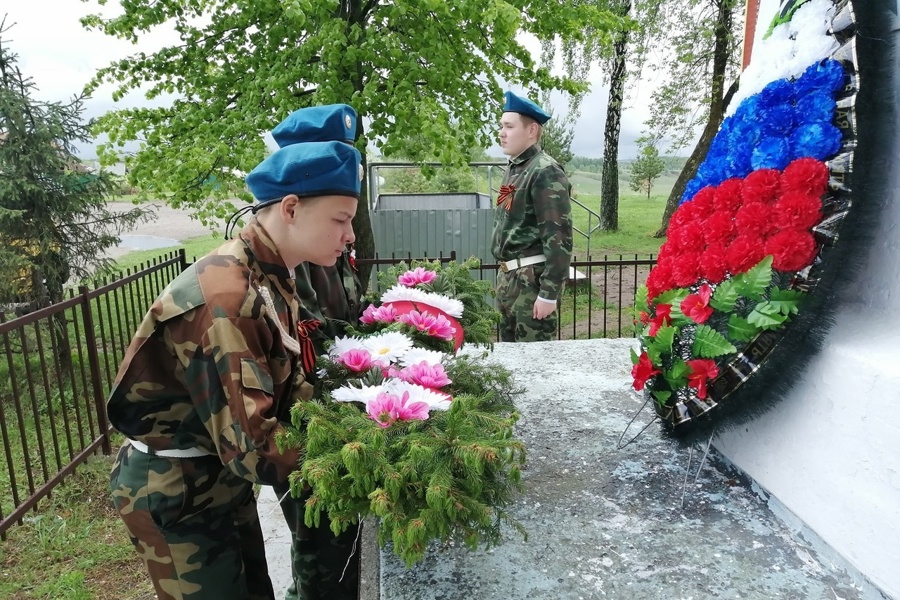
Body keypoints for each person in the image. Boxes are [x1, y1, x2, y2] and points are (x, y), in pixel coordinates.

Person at [106, 139, 361, 600]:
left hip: (216, 476)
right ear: (290, 208)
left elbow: (285, 381)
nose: (350, 236)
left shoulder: (268, 271)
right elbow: (255, 448)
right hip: (177, 489)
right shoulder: (229, 297)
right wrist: (357, 457)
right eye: (340, 220)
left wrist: (357, 417)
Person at [270, 104, 365, 600]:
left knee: (334, 550)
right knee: (321, 551)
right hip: (306, 424)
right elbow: (308, 338)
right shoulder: (287, 250)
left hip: (328, 411)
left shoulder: (322, 231)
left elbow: (345, 310)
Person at [491, 91, 573, 342]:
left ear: (531, 130)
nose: (501, 133)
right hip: (508, 280)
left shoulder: (544, 171)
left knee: (533, 367)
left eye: (509, 126)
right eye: (501, 126)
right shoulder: (516, 168)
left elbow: (558, 239)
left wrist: (549, 293)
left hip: (530, 283)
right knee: (508, 366)